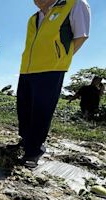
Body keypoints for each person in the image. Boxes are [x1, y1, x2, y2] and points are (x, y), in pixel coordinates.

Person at [17, 0, 91, 168]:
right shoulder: (33, 18)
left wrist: (61, 58)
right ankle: (25, 141)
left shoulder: (74, 4)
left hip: (51, 68)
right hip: (27, 69)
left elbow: (81, 35)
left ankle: (34, 151)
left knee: (41, 110)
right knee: (24, 108)